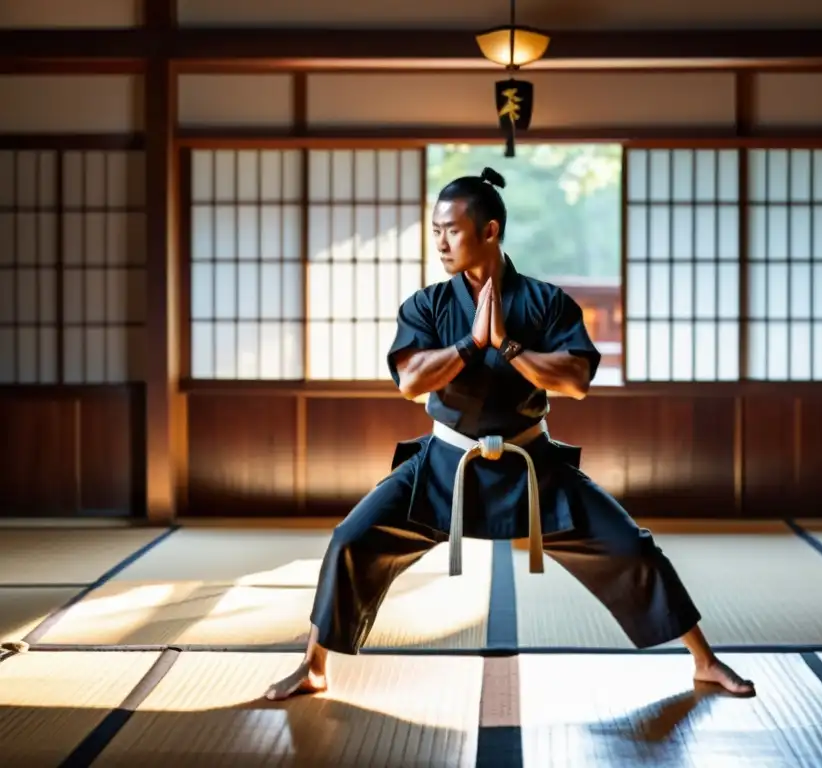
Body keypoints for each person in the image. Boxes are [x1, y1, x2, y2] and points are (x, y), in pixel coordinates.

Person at [264, 167, 755, 701]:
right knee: (350, 541)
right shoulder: (428, 305)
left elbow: (576, 381)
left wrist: (510, 345)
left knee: (631, 549)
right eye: (436, 230)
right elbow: (409, 381)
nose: (441, 242)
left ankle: (704, 661)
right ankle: (314, 666)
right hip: (443, 467)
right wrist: (471, 347)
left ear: (490, 230)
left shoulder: (545, 303)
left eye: (452, 229)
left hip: (532, 465)